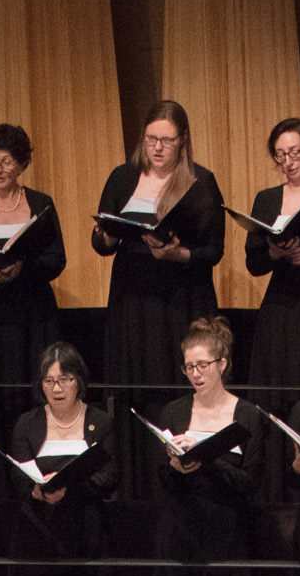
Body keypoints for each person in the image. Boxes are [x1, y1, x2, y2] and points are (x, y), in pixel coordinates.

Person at [93, 99, 227, 397]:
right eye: (151, 138)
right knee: (135, 383)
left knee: (176, 380)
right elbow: (101, 242)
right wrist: (109, 236)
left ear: (183, 141)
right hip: (133, 299)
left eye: (167, 140)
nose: (157, 147)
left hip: (180, 300)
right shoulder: (122, 177)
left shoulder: (201, 182)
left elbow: (214, 250)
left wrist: (178, 254)